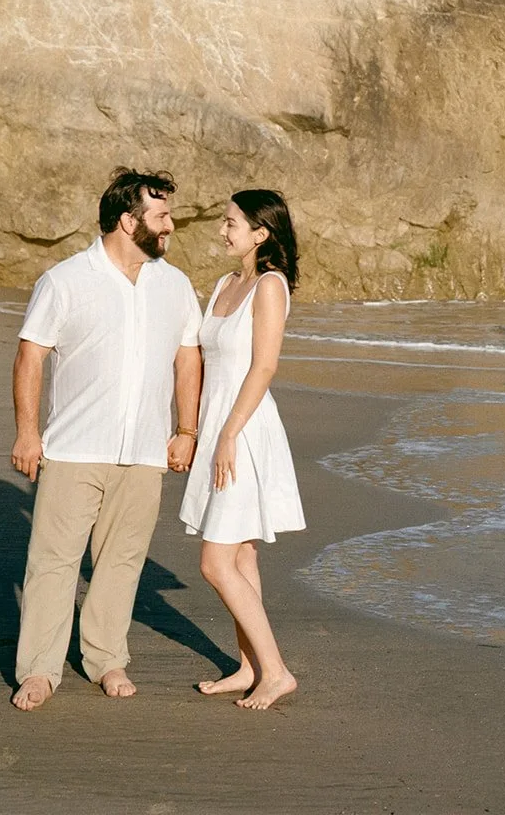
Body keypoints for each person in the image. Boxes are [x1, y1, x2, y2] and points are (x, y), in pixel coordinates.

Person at [9, 167, 203, 711]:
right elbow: (31, 356)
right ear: (127, 219)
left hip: (144, 453)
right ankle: (40, 670)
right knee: (53, 562)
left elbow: (188, 357)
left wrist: (186, 430)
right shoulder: (65, 280)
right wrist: (28, 433)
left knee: (123, 560)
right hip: (74, 449)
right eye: (161, 215)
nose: (171, 225)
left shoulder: (176, 285)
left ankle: (105, 657)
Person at [179, 189, 306, 709]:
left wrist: (229, 434)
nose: (222, 230)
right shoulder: (224, 285)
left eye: (231, 222)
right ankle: (250, 666)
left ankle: (276, 671)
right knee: (242, 555)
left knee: (215, 562)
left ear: (261, 232)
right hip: (217, 428)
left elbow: (264, 367)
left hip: (245, 431)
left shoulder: (270, 287)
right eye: (223, 221)